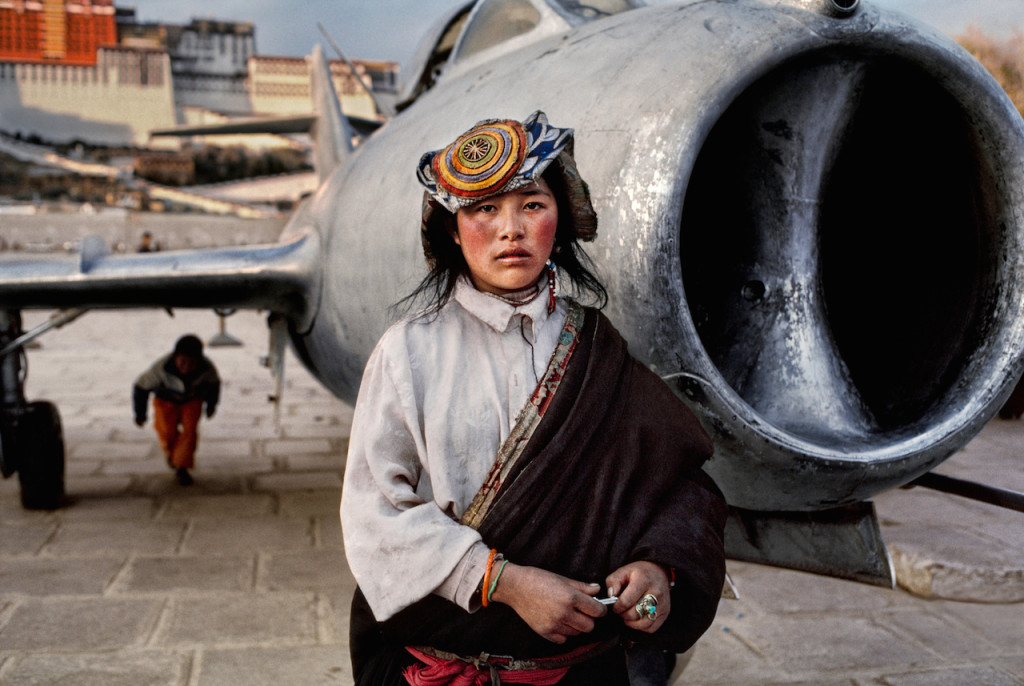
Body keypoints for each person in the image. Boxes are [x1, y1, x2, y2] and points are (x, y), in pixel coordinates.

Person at [340, 111, 727, 685]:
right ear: (452, 228)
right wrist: (506, 582)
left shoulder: (597, 350)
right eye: (484, 209)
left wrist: (657, 568)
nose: (510, 228)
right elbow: (374, 513)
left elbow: (677, 484)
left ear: (560, 219)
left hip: (582, 672)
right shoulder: (407, 354)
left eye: (531, 204)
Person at [133, 334, 220, 485]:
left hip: (192, 400)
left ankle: (182, 467)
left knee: (189, 432)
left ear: (199, 361)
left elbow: (214, 386)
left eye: (192, 363)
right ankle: (171, 455)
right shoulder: (161, 369)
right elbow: (140, 387)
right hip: (165, 401)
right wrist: (140, 414)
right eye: (182, 362)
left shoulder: (207, 368)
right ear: (175, 357)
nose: (186, 367)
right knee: (166, 431)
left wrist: (211, 406)